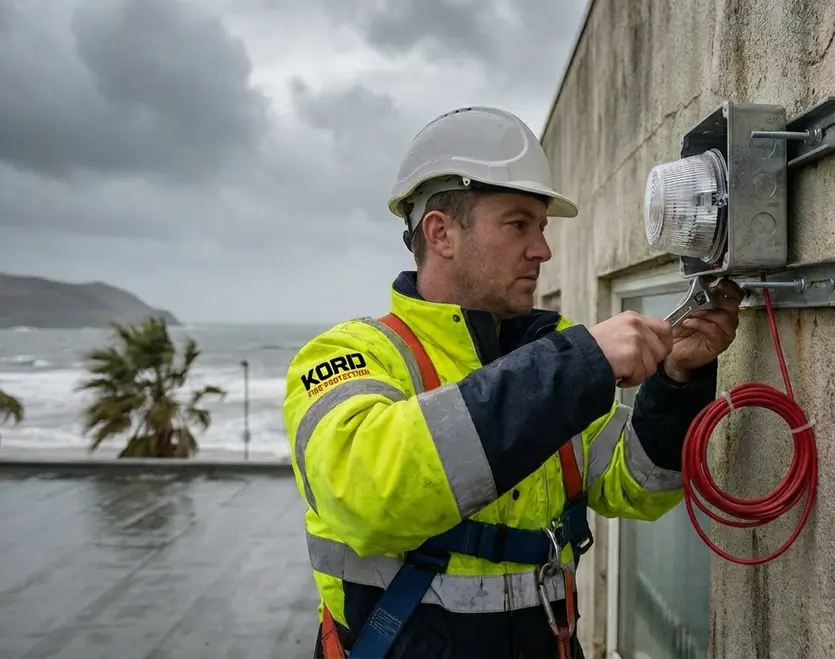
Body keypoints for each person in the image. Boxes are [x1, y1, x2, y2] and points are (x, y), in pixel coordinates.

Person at [283, 106, 742, 659]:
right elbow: (371, 493)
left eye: (542, 229)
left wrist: (679, 378)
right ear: (441, 232)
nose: (542, 250)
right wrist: (576, 364)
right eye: (518, 224)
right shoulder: (350, 355)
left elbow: (639, 486)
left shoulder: (549, 357)